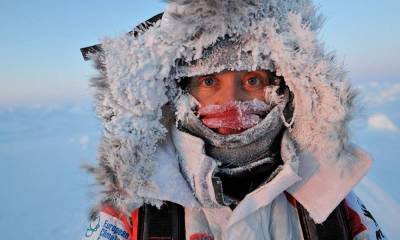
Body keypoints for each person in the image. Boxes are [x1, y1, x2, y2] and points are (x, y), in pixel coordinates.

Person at [80, 0, 386, 239]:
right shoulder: (132, 207)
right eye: (210, 82)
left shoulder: (329, 195)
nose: (232, 103)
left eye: (252, 80)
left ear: (284, 88)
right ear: (180, 94)